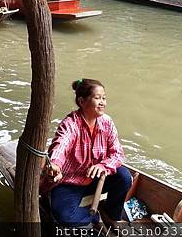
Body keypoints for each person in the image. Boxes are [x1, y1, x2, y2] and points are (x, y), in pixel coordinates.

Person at [43, 79, 131, 228]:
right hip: (71, 182)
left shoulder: (106, 122)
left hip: (96, 178)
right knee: (65, 217)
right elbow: (60, 145)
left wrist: (103, 166)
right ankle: (94, 218)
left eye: (104, 98)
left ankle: (110, 214)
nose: (102, 102)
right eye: (97, 98)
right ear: (82, 101)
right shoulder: (70, 124)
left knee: (124, 177)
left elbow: (117, 154)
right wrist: (55, 164)